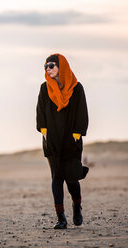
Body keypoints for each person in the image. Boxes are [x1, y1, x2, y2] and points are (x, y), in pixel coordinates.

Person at [36, 53, 89, 229]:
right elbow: (40, 111)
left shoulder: (76, 88)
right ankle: (61, 218)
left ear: (62, 66)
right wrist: (43, 130)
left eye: (51, 65)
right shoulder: (45, 88)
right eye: (46, 67)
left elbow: (82, 111)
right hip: (52, 141)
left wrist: (77, 134)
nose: (48, 69)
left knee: (72, 178)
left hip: (71, 140)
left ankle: (76, 206)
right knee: (56, 177)